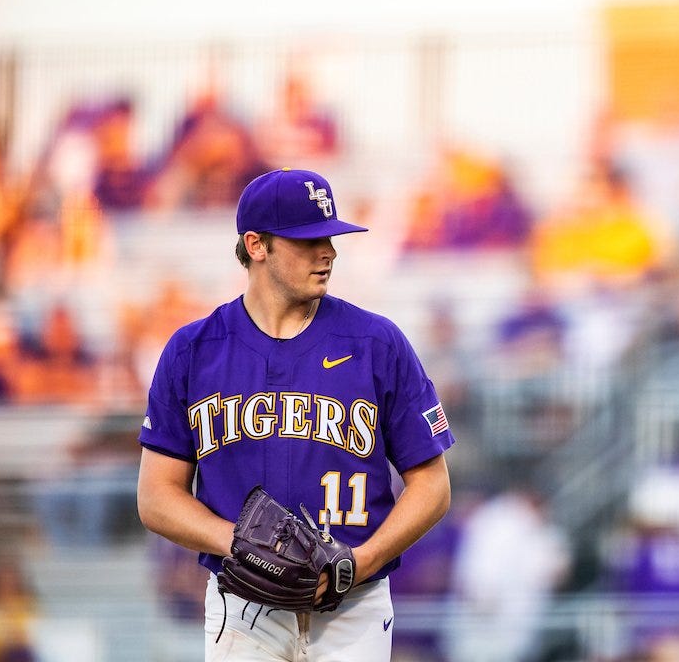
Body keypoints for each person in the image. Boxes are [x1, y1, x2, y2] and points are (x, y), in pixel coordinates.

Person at [137, 167, 454, 662]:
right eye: (307, 240)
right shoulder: (194, 351)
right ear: (257, 245)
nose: (327, 251)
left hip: (354, 607)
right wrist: (238, 543)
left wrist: (362, 561)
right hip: (243, 606)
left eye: (329, 236)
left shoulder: (375, 343)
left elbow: (433, 486)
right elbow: (156, 496)